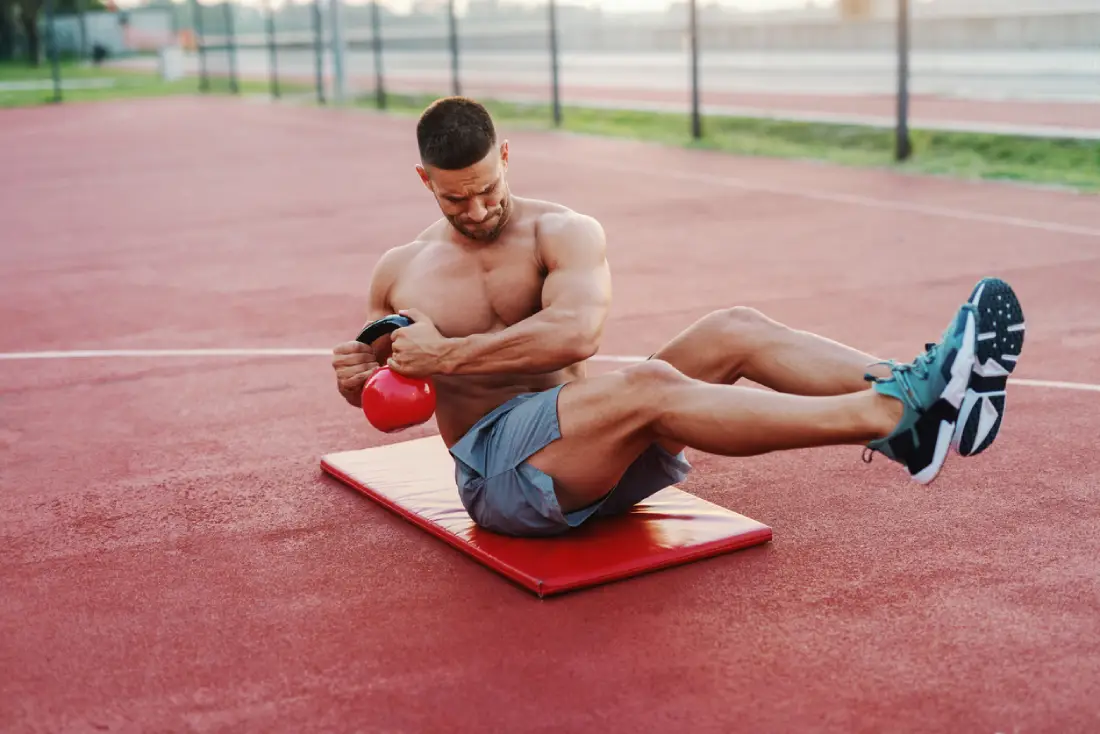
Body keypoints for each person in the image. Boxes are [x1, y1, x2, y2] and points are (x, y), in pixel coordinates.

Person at [331, 96, 1025, 537]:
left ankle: (912, 411)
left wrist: (446, 355)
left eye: (488, 188)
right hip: (505, 483)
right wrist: (358, 377)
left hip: (597, 456)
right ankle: (892, 414)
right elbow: (381, 393)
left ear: (506, 157)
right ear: (425, 182)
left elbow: (576, 333)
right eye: (457, 200)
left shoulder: (562, 231)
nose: (478, 209)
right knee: (651, 384)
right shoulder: (400, 270)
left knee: (735, 327)